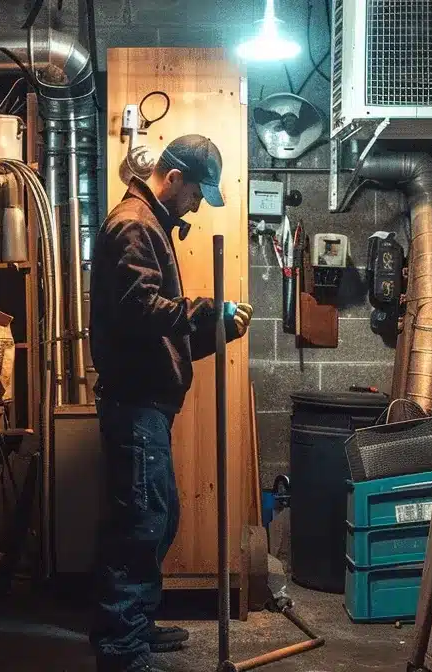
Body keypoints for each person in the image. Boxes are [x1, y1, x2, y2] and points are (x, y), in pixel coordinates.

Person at [88, 134, 253, 672]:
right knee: (140, 524)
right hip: (135, 404)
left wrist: (216, 326)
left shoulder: (152, 223)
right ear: (174, 177)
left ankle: (135, 624)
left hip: (146, 403)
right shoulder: (135, 224)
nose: (199, 204)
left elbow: (162, 332)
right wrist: (206, 309)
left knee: (158, 517)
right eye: (198, 192)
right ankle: (121, 650)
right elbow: (140, 311)